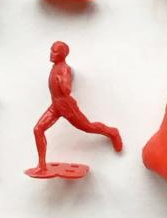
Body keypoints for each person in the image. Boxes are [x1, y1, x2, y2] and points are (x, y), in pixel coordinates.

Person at [28, 42, 121, 175]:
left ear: (62, 54)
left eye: (55, 52)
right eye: (51, 50)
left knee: (88, 127)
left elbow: (67, 90)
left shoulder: (64, 69)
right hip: (55, 105)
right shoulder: (54, 67)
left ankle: (112, 132)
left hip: (66, 105)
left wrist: (62, 81)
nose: (51, 54)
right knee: (38, 129)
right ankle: (41, 166)